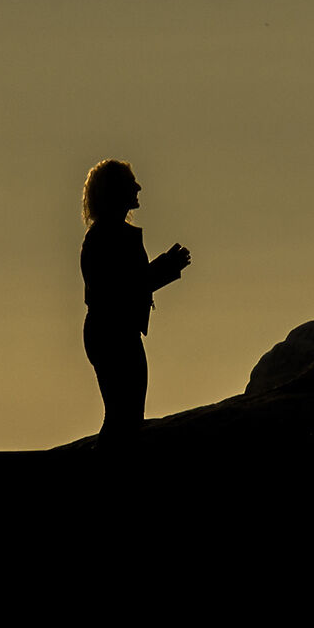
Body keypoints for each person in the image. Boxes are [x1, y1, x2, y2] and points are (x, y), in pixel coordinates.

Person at [78, 159, 192, 441]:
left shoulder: (108, 235)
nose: (138, 187)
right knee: (123, 417)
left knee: (126, 416)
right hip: (113, 334)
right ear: (115, 190)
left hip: (116, 332)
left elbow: (126, 285)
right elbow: (117, 292)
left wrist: (164, 268)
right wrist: (164, 268)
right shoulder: (103, 238)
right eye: (130, 183)